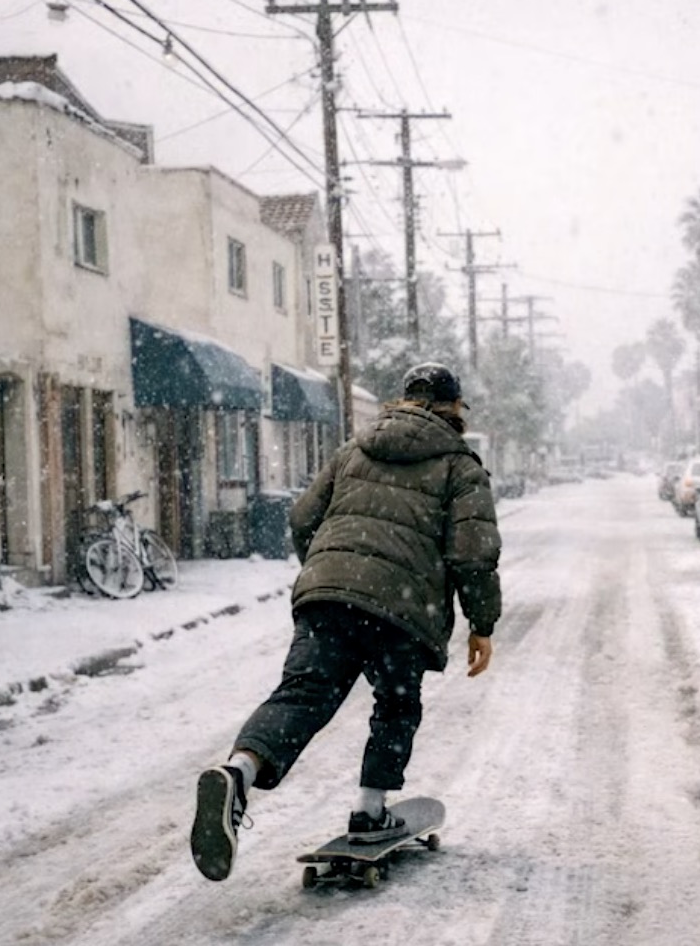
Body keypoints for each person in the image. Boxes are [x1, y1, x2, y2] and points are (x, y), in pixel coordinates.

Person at [190, 362, 502, 882]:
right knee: (396, 705)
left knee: (301, 695)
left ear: (403, 400)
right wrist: (482, 624)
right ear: (453, 407)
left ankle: (238, 772)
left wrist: (329, 574)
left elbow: (301, 518)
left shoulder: (354, 450)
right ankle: (370, 809)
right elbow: (473, 554)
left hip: (329, 596)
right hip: (402, 609)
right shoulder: (459, 465)